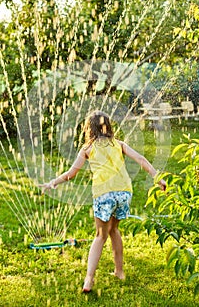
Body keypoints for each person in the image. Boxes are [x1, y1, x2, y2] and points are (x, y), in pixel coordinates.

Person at [39, 110, 166, 293]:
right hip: (124, 193)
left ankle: (89, 280)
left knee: (100, 236)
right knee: (114, 230)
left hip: (104, 194)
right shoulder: (118, 144)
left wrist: (53, 182)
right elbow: (140, 159)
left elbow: (70, 174)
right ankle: (119, 271)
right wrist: (157, 178)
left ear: (89, 128)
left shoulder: (87, 149)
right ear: (108, 126)